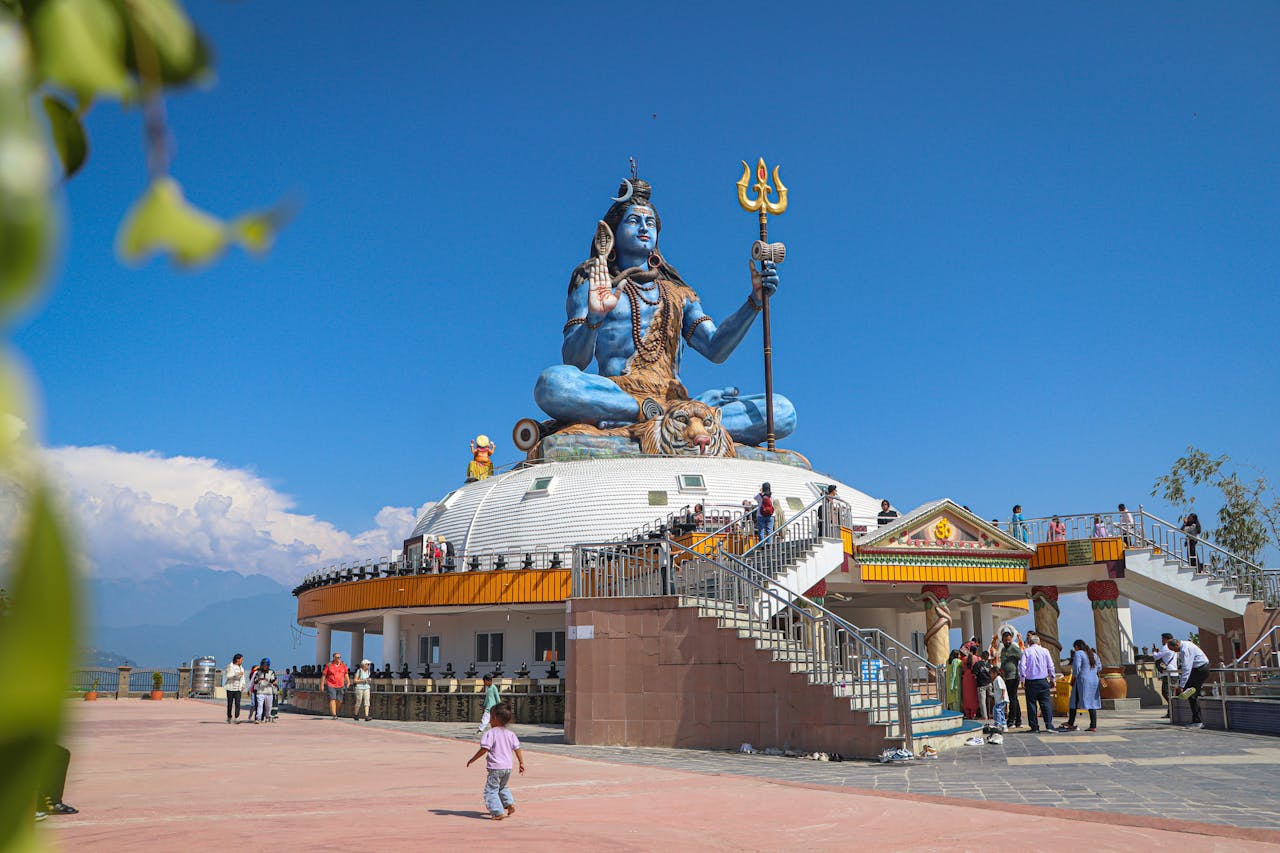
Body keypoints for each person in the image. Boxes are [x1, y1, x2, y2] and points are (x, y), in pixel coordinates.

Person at [533, 173, 794, 446]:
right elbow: (573, 362)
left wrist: (754, 302)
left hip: (675, 402)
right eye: (633, 221)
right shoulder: (594, 284)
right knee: (552, 383)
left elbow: (716, 348)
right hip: (616, 394)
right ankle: (650, 414)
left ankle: (670, 416)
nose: (643, 228)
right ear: (611, 232)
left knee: (782, 411)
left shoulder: (678, 293)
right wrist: (594, 319)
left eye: (650, 223)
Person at [466, 703, 526, 820]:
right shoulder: (510, 734)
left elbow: (484, 749)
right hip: (508, 767)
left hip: (495, 768)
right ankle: (509, 804)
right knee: (502, 787)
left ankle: (497, 812)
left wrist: (472, 759)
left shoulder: (490, 733)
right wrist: (521, 763)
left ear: (494, 718)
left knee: (491, 790)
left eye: (490, 717)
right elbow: (517, 749)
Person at [1169, 637, 1211, 728]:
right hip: (1199, 669)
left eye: (1174, 649)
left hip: (1200, 670)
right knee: (1191, 693)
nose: (1175, 652)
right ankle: (1196, 719)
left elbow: (1186, 668)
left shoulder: (1185, 650)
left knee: (1191, 694)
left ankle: (1198, 721)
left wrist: (1181, 685)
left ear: (1177, 645)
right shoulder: (1186, 644)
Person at [1019, 631, 1057, 733]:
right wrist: (1053, 679)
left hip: (1030, 681)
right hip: (1043, 680)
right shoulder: (1045, 651)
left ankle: (1034, 727)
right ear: (1039, 642)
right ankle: (1049, 725)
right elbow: (1051, 666)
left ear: (1030, 642)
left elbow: (1022, 666)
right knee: (1046, 703)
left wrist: (1022, 680)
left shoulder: (1026, 651)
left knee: (1031, 704)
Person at [1061, 640, 1102, 732]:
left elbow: (1076, 668)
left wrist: (1074, 677)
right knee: (1092, 703)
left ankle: (1071, 723)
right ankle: (1093, 725)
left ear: (1076, 647)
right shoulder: (1094, 654)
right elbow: (1099, 667)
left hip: (1082, 681)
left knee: (1074, 701)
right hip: (1094, 680)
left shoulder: (1079, 653)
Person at [999, 630, 1023, 728]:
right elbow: (1002, 662)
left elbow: (1022, 656)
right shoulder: (1003, 650)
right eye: (1005, 640)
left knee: (1012, 699)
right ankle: (1018, 720)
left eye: (1009, 640)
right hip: (1006, 677)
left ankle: (1011, 720)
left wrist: (1013, 656)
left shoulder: (1014, 648)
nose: (1007, 642)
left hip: (1014, 676)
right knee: (1014, 699)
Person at [1154, 632, 1179, 718]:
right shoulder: (1174, 647)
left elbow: (1156, 657)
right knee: (1171, 693)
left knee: (1166, 692)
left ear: (1166, 639)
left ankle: (1174, 707)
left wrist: (1154, 652)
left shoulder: (1166, 647)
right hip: (1174, 673)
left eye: (1162, 639)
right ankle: (1170, 712)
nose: (1162, 640)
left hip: (1168, 673)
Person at [322, 652, 350, 720]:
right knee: (332, 699)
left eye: (340, 657)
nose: (339, 658)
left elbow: (346, 674)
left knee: (339, 700)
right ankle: (334, 714)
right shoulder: (329, 665)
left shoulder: (343, 665)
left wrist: (348, 682)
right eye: (337, 657)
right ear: (334, 658)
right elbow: (324, 675)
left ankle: (335, 711)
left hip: (341, 685)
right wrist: (322, 684)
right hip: (331, 684)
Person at [251, 659, 277, 724]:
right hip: (260, 691)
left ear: (268, 665)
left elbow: (273, 680)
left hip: (269, 692)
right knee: (260, 705)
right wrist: (259, 679)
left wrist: (269, 680)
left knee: (268, 706)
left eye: (265, 665)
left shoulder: (271, 672)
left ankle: (267, 716)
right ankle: (258, 718)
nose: (263, 666)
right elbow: (255, 681)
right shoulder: (258, 672)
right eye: (262, 665)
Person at [961, 643, 982, 720]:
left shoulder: (964, 659)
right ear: (976, 651)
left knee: (966, 695)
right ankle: (973, 713)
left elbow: (963, 668)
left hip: (966, 678)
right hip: (973, 678)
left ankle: (967, 713)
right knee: (973, 695)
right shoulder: (978, 658)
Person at [990, 653, 1010, 732]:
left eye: (991, 673)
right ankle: (1003, 724)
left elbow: (1003, 688)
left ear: (995, 673)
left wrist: (1003, 695)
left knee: (997, 710)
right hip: (999, 699)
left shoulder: (998, 679)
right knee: (998, 710)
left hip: (1002, 699)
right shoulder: (996, 680)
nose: (990, 675)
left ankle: (999, 723)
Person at [224, 653, 245, 724]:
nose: (242, 661)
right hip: (230, 688)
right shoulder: (230, 666)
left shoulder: (241, 668)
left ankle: (237, 717)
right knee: (230, 703)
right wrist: (237, 674)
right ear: (237, 659)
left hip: (238, 689)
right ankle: (229, 717)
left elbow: (243, 678)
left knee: (238, 703)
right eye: (241, 659)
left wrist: (243, 685)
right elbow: (228, 675)